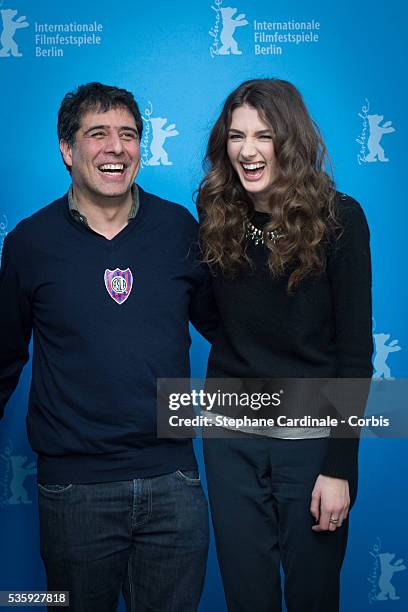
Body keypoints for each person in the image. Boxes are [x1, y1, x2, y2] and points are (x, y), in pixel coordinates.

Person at [0, 82, 216, 612]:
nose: (116, 147)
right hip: (75, 492)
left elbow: (234, 332)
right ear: (67, 150)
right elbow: (3, 358)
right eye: (97, 134)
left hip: (175, 484)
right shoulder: (29, 243)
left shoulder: (179, 229)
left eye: (128, 134)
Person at [197, 79, 373, 612]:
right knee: (247, 599)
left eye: (263, 135)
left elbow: (355, 355)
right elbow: (214, 318)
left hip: (314, 443)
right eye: (236, 136)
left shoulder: (340, 219)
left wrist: (340, 468)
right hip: (230, 440)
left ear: (289, 141)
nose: (247, 151)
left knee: (313, 597)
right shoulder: (217, 216)